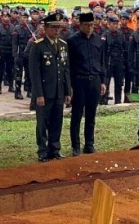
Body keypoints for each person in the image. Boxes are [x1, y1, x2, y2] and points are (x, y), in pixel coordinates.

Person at [30, 13, 72, 162]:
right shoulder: (38, 45)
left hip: (59, 91)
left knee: (57, 121)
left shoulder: (63, 44)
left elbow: (66, 69)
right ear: (46, 28)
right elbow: (34, 73)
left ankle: (54, 149)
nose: (57, 31)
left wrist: (68, 91)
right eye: (53, 28)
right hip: (45, 92)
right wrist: (38, 94)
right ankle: (42, 150)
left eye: (58, 27)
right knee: (42, 122)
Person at [67, 12, 107, 156]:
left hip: (95, 79)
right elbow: (69, 65)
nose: (89, 28)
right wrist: (69, 85)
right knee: (77, 114)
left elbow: (102, 62)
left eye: (92, 25)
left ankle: (89, 144)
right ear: (80, 25)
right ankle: (75, 145)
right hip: (79, 80)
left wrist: (103, 81)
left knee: (91, 114)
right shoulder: (72, 41)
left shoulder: (99, 40)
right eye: (86, 25)